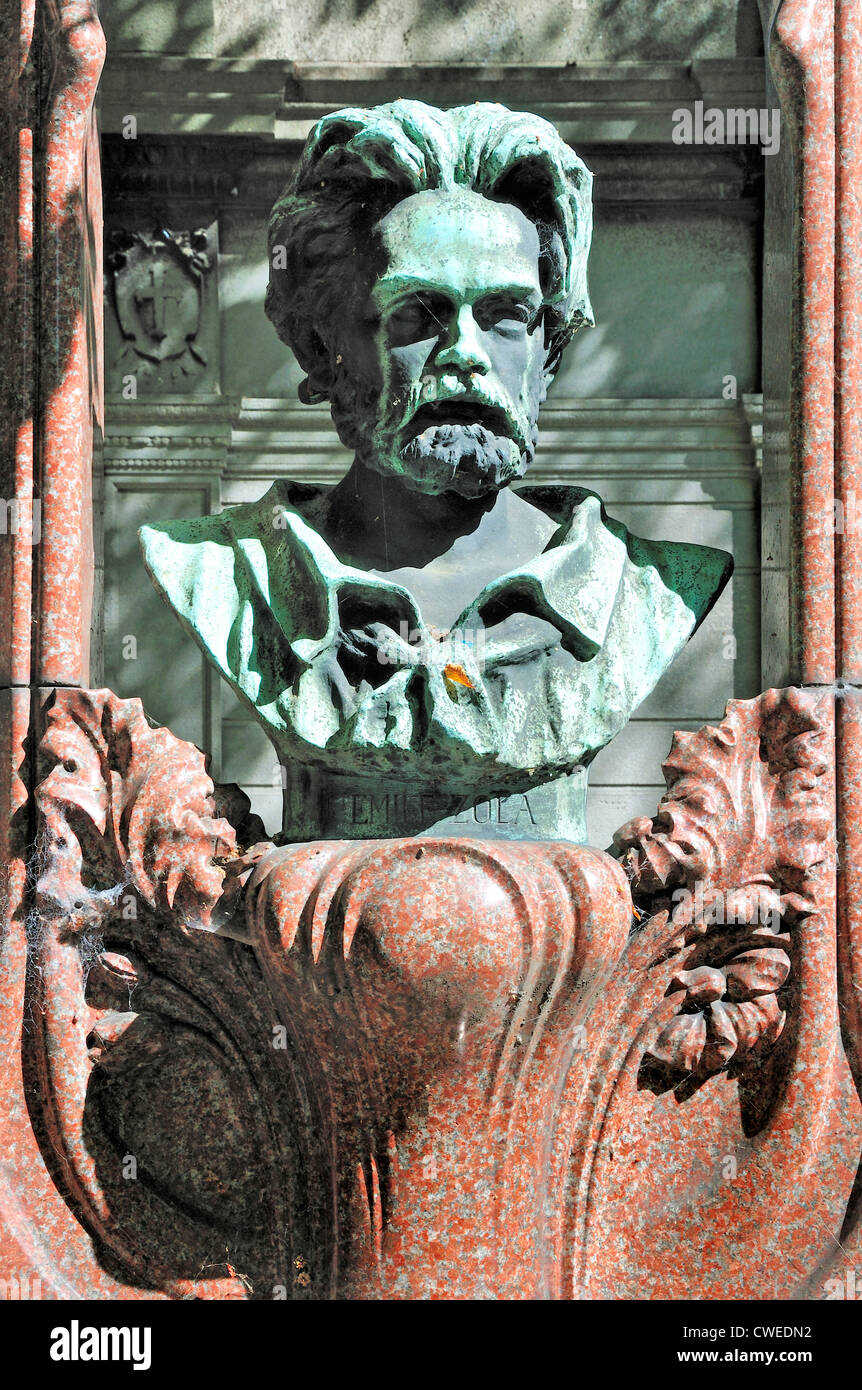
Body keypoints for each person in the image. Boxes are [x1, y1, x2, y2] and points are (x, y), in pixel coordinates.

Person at [140, 100, 731, 843]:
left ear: (546, 354)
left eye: (506, 315)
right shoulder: (222, 573)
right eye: (418, 313)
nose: (468, 354)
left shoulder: (646, 592)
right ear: (324, 351)